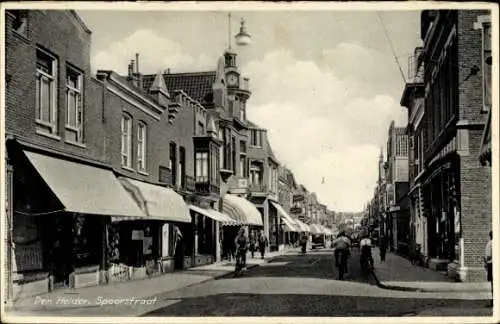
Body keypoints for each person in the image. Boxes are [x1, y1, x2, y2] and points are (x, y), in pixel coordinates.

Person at [484, 230, 493, 307]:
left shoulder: (490, 244)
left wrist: (486, 263)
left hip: (491, 264)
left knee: (493, 283)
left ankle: (493, 300)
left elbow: (488, 256)